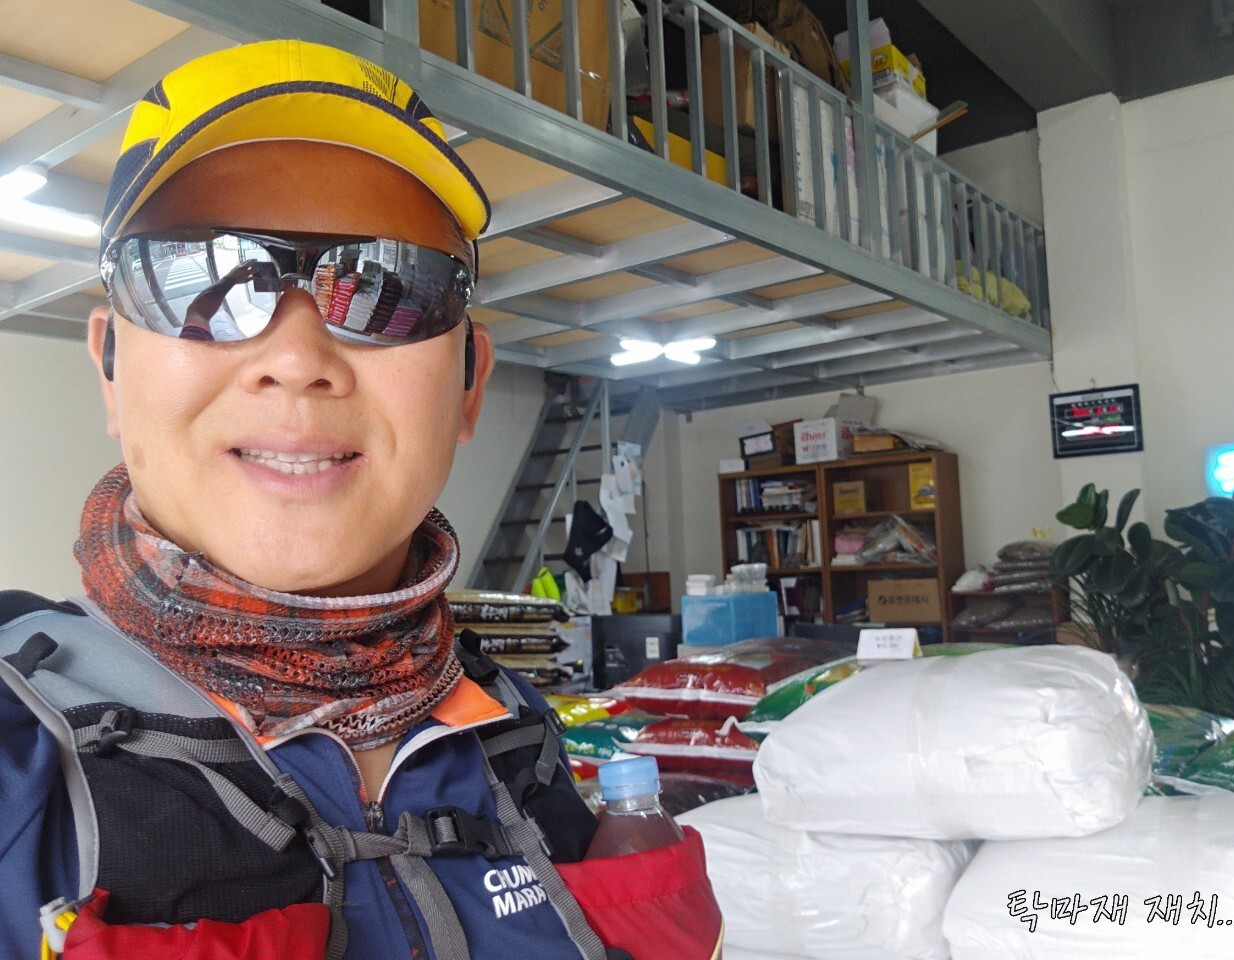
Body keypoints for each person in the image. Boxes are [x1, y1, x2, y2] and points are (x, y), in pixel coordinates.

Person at [0, 39, 721, 960]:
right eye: (202, 280)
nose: (297, 359)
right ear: (110, 367)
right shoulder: (20, 752)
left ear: (467, 386)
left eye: (390, 287)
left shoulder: (513, 732)